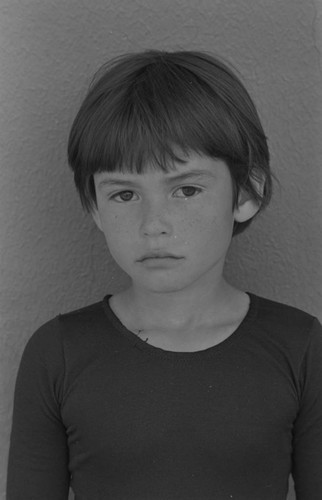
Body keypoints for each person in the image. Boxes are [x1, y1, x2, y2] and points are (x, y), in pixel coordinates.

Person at [6, 49, 322, 500]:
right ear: (94, 206)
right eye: (123, 195)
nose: (154, 223)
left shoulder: (301, 348)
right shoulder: (57, 355)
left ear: (247, 192)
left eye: (186, 189)